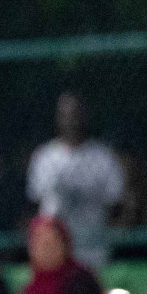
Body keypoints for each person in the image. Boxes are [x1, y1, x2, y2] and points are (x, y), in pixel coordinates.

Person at [27, 92, 125, 268]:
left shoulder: (103, 157)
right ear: (57, 118)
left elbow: (117, 207)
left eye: (75, 114)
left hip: (93, 253)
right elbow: (33, 207)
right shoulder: (44, 157)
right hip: (54, 255)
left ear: (85, 116)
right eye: (65, 114)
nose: (71, 119)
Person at [18, 215, 105, 294]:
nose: (46, 251)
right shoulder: (28, 290)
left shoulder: (81, 281)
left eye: (51, 244)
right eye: (40, 244)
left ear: (65, 245)